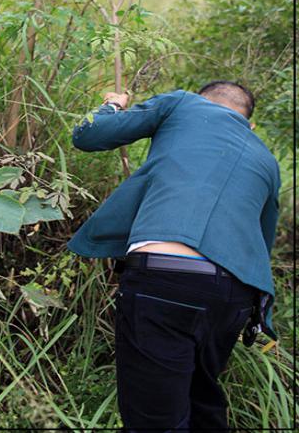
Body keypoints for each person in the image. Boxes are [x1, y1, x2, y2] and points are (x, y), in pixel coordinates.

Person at [66, 81, 281, 433]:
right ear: (249, 125)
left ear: (201, 101)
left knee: (156, 421)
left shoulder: (181, 104)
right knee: (202, 405)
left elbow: (89, 135)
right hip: (233, 296)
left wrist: (113, 106)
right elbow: (262, 242)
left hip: (165, 279)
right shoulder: (267, 161)